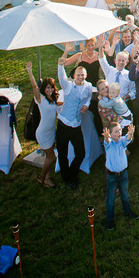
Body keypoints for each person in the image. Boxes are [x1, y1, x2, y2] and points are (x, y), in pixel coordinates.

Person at [56, 55, 93, 189]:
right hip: (63, 124)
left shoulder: (88, 86)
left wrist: (87, 105)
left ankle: (71, 173)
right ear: (74, 76)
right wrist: (60, 65)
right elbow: (62, 77)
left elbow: (89, 97)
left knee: (81, 153)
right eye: (78, 75)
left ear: (86, 75)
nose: (80, 77)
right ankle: (67, 178)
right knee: (62, 153)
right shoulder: (68, 87)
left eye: (82, 75)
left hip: (76, 125)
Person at [25, 62, 60, 188]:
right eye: (47, 88)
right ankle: (41, 177)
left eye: (51, 88)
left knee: (49, 156)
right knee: (51, 157)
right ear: (43, 89)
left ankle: (47, 177)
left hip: (51, 132)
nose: (49, 90)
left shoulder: (54, 99)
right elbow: (34, 86)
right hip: (43, 133)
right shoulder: (40, 99)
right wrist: (30, 71)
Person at [103, 122, 139, 230]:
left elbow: (127, 138)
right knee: (111, 198)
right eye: (116, 131)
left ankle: (127, 212)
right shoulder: (108, 144)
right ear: (110, 133)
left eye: (119, 130)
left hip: (123, 174)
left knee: (125, 194)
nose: (119, 133)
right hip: (112, 176)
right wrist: (106, 137)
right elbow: (107, 141)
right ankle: (110, 220)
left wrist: (131, 134)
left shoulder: (122, 141)